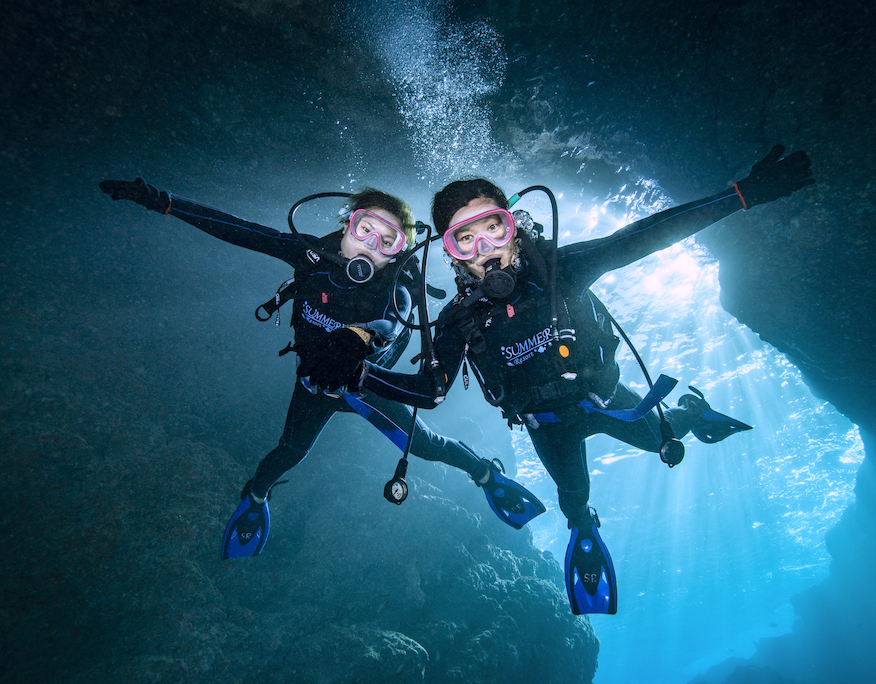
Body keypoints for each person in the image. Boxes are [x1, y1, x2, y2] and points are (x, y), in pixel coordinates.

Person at [298, 145, 815, 614]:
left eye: (493, 228)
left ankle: (688, 412)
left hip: (611, 400)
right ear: (451, 252)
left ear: (514, 226)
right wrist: (360, 372)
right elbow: (429, 392)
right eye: (464, 239)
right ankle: (585, 529)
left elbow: (642, 238)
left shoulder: (559, 270)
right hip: (547, 427)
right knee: (573, 504)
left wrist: (741, 196)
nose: (484, 249)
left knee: (665, 438)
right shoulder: (458, 317)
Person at [98, 178, 547, 560]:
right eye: (364, 229)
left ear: (398, 254)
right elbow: (239, 230)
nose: (370, 246)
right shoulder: (309, 257)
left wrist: (358, 336)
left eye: (386, 241)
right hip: (314, 387)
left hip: (369, 387)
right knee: (289, 451)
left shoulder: (395, 288)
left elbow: (393, 321)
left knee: (426, 445)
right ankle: (256, 495)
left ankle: (485, 475)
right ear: (345, 227)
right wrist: (166, 202)